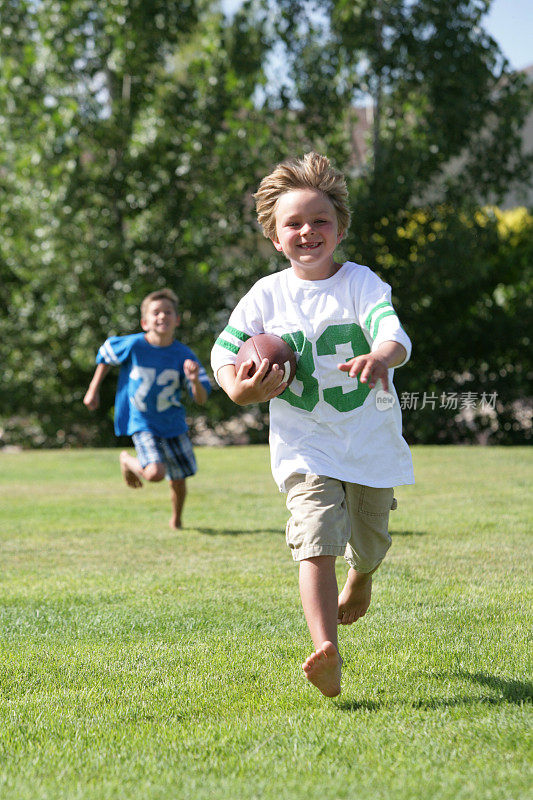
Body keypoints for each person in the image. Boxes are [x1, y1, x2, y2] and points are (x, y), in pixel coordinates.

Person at [211, 152, 414, 697]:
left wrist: (382, 357)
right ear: (275, 237)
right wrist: (239, 387)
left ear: (340, 227)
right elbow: (225, 350)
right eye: (293, 224)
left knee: (370, 541)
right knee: (315, 538)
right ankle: (327, 648)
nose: (307, 231)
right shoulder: (265, 295)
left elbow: (392, 333)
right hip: (305, 445)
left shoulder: (361, 283)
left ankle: (362, 576)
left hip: (367, 438)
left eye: (319, 220)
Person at [84, 288, 211, 529]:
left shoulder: (184, 354)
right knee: (155, 473)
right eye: (156, 313)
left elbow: (202, 398)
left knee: (179, 480)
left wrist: (194, 380)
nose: (162, 316)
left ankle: (177, 519)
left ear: (177, 319)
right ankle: (126, 460)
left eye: (168, 312)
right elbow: (106, 353)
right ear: (145, 322)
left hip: (173, 422)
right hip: (142, 421)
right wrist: (93, 389)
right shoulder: (134, 345)